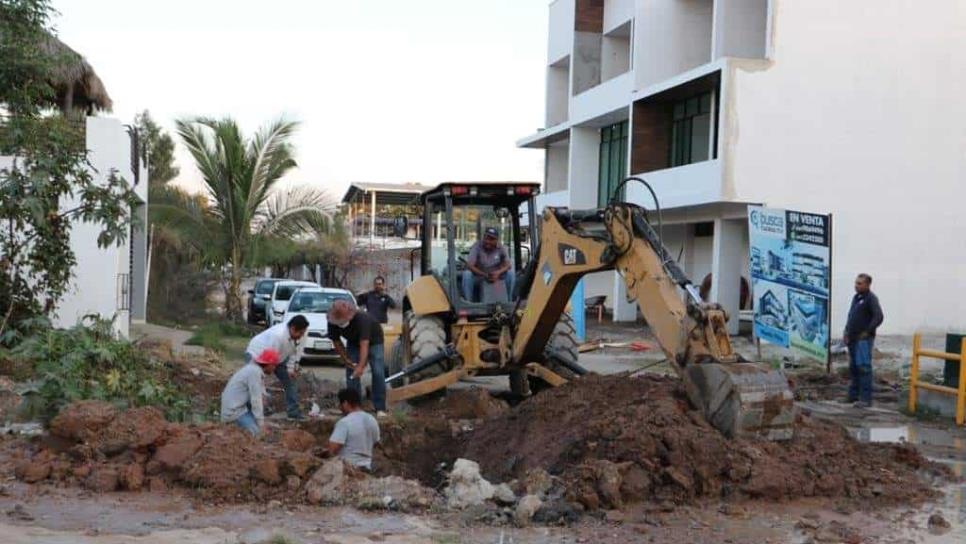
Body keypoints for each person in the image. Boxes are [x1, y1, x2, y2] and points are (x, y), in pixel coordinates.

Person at [326, 299, 387, 416]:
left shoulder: (362, 319)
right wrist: (346, 359)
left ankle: (380, 407)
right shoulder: (331, 321)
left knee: (378, 370)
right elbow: (336, 341)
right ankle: (355, 407)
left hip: (374, 340)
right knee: (351, 372)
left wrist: (361, 366)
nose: (341, 324)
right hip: (353, 342)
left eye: (343, 321)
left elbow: (365, 344)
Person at [245, 314, 309, 420]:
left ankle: (293, 412)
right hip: (257, 354)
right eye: (300, 333)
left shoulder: (299, 334)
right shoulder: (278, 336)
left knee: (290, 381)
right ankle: (252, 411)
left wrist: (290, 369)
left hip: (278, 356)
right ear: (293, 328)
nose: (302, 335)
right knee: (255, 382)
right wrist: (265, 374)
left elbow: (294, 351)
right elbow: (269, 360)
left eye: (303, 333)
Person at [843, 273, 884, 408]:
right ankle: (853, 395)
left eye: (859, 283)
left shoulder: (871, 299)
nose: (856, 286)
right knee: (853, 367)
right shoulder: (856, 298)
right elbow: (851, 316)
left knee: (863, 368)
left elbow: (878, 317)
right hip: (852, 338)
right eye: (856, 283)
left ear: (867, 285)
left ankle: (865, 399)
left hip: (863, 340)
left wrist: (867, 331)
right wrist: (846, 331)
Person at [220, 348, 280, 436]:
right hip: (234, 413)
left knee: (267, 398)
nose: (275, 368)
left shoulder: (253, 369)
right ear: (269, 364)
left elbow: (262, 395)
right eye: (274, 365)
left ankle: (253, 420)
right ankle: (237, 425)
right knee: (257, 435)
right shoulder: (254, 373)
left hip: (238, 406)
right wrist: (261, 424)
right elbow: (256, 400)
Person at [326, 388, 380, 471]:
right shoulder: (372, 420)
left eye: (340, 404)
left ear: (345, 403)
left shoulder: (344, 422)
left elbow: (332, 448)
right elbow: (376, 442)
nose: (340, 408)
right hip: (367, 468)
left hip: (347, 469)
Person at [462, 227, 512, 302]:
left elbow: (508, 265)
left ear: (496, 240)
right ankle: (468, 303)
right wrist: (484, 274)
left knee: (511, 274)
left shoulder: (501, 247)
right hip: (479, 276)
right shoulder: (477, 246)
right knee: (467, 274)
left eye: (491, 239)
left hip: (496, 276)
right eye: (486, 238)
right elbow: (470, 265)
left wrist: (498, 273)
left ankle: (508, 302)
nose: (488, 241)